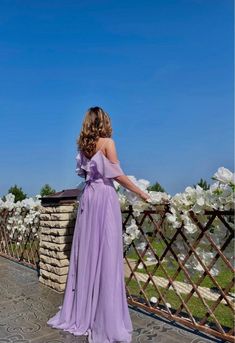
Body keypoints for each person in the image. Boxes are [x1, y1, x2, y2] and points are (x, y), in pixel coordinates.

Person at [47, 106, 150, 343]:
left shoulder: (83, 148)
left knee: (88, 255)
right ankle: (105, 318)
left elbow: (85, 176)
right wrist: (141, 192)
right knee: (107, 254)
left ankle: (83, 312)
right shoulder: (108, 143)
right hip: (103, 198)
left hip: (89, 199)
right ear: (104, 121)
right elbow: (116, 175)